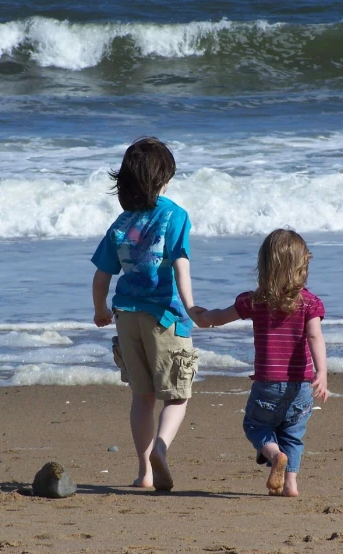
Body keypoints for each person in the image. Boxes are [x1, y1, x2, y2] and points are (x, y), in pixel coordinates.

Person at [91, 137, 200, 492]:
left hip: (125, 317)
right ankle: (162, 450)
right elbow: (180, 263)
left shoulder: (121, 223)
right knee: (177, 395)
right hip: (163, 317)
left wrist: (99, 311)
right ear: (162, 179)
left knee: (142, 396)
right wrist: (192, 306)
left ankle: (144, 472)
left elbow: (102, 275)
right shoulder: (174, 215)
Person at [193, 228, 328, 497]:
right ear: (303, 266)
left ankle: (273, 453)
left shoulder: (254, 300)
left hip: (267, 384)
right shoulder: (310, 303)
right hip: (300, 387)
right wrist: (322, 372)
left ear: (264, 265)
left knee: (256, 426)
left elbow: (220, 317)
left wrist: (202, 317)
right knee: (293, 433)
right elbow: (315, 335)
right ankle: (291, 485)